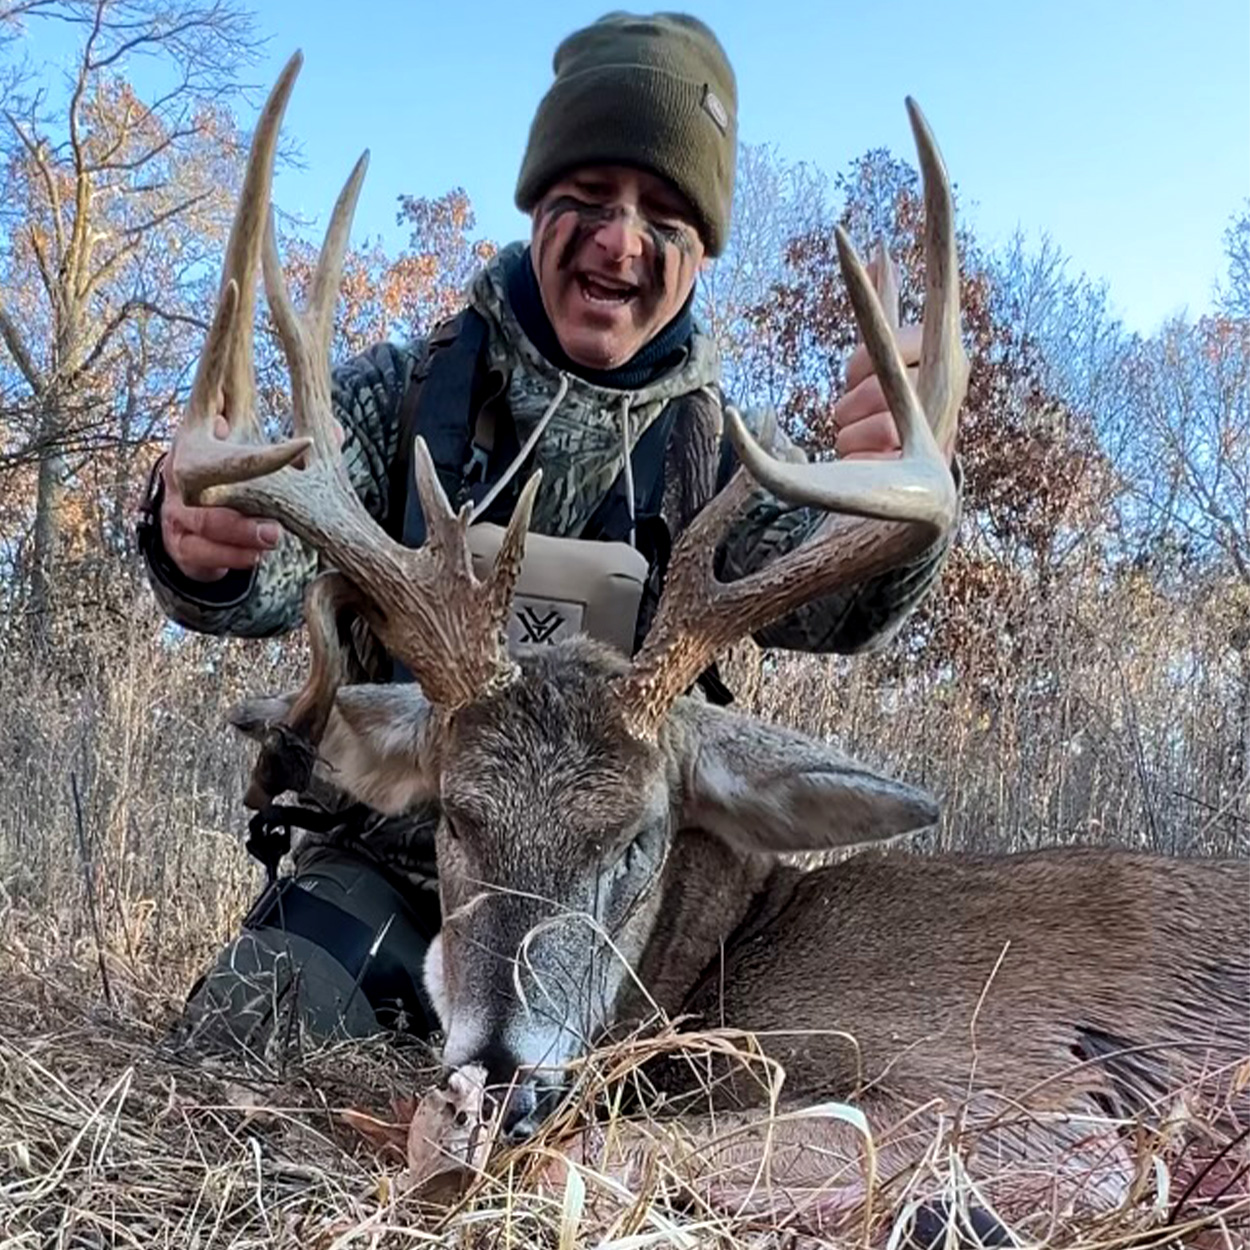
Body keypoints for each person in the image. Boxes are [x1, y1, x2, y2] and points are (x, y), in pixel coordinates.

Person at [138, 11, 961, 1059]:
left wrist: (884, 497)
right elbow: (271, 563)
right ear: (535, 208)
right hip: (399, 840)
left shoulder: (719, 460)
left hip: (622, 889)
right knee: (239, 1052)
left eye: (665, 213)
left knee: (670, 1094)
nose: (621, 239)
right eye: (589, 198)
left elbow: (843, 604)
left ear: (700, 255)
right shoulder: (408, 394)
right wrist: (199, 536)